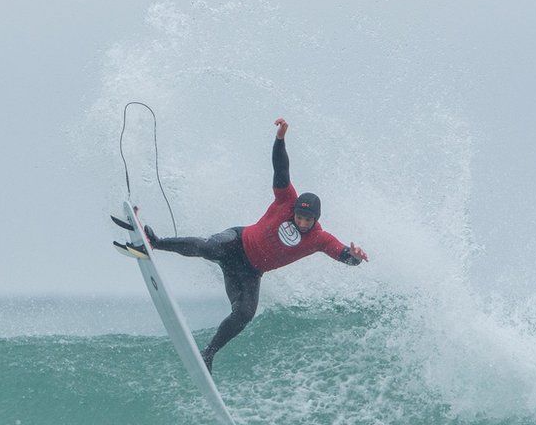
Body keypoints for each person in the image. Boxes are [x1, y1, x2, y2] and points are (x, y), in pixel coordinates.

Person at [144, 118, 369, 373]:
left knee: (244, 314)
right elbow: (281, 169)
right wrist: (280, 139)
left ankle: (208, 353)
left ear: (316, 219)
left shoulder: (319, 238)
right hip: (236, 243)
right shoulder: (286, 201)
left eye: (308, 219)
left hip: (250, 272)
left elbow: (343, 256)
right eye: (299, 216)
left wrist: (355, 256)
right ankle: (156, 242)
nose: (302, 221)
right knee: (208, 248)